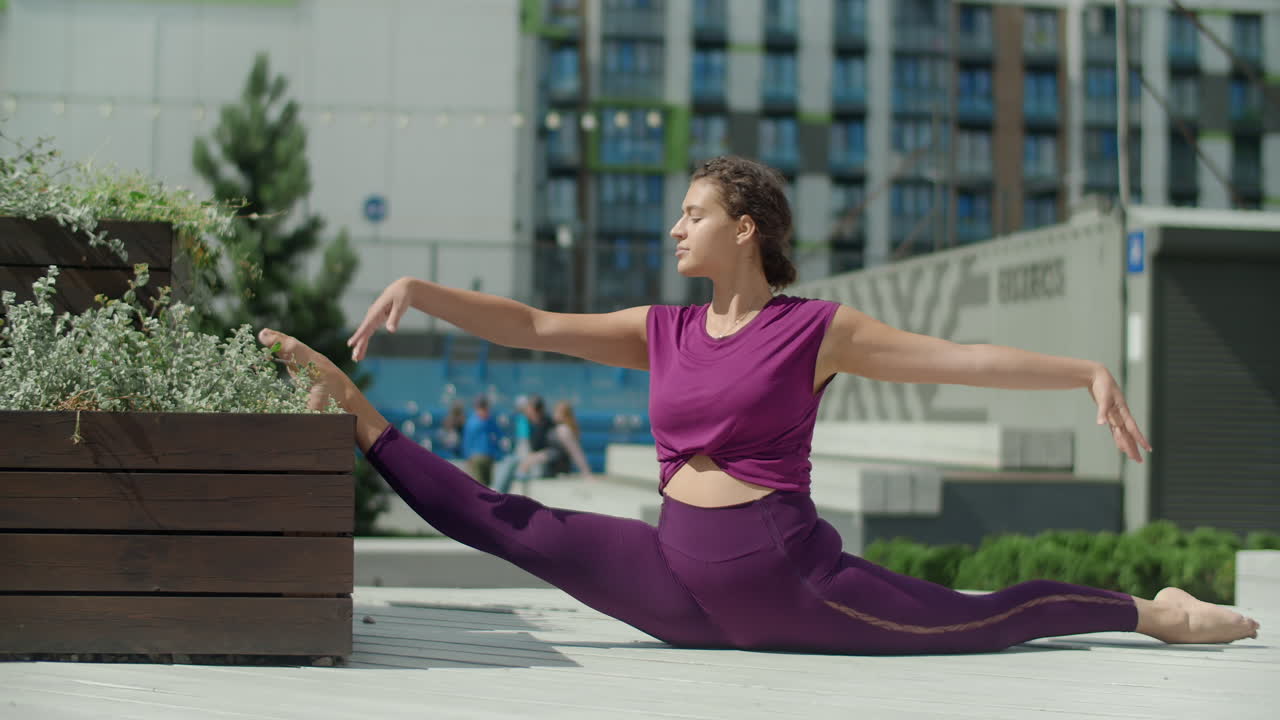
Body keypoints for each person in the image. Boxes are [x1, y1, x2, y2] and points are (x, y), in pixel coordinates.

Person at [260, 155, 1258, 654]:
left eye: (691, 214)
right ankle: (357, 415)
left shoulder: (815, 329)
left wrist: (1083, 371)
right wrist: (422, 291)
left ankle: (1153, 613)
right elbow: (532, 322)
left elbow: (959, 359)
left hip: (791, 582)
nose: (674, 228)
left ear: (744, 229)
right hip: (677, 584)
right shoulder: (663, 329)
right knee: (509, 523)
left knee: (984, 618)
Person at [518, 400, 594, 482]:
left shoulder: (563, 430)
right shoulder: (552, 426)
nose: (555, 414)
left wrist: (586, 472)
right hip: (550, 462)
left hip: (556, 466)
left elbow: (575, 452)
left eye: (558, 412)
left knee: (530, 460)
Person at [494, 394, 552, 493]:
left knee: (511, 463)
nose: (526, 411)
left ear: (534, 410)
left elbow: (550, 451)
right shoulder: (533, 423)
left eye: (528, 409)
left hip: (540, 464)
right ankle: (498, 492)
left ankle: (498, 492)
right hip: (531, 459)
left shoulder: (546, 425)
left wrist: (531, 459)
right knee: (508, 462)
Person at [461, 396, 501, 486]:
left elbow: (498, 436)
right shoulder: (473, 422)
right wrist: (467, 456)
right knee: (479, 483)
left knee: (487, 484)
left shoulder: (489, 421)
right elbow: (467, 440)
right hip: (476, 457)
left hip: (488, 456)